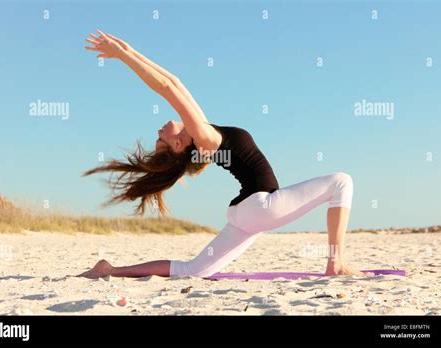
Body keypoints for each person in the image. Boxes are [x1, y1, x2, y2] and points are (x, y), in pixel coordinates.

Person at [78, 30, 370, 280]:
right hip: (262, 205)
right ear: (179, 146)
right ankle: (335, 263)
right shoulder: (205, 139)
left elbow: (175, 82)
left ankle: (111, 270)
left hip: (245, 213)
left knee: (192, 270)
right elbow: (165, 88)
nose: (160, 130)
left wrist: (127, 50)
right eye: (161, 138)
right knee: (341, 182)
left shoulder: (202, 132)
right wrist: (122, 56)